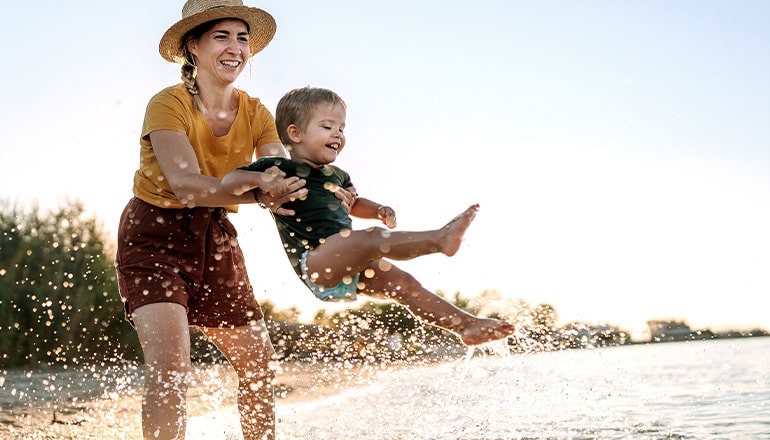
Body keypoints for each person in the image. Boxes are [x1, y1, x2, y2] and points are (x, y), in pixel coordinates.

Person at [114, 2, 353, 439]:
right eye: (221, 36)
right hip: (153, 234)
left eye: (242, 38)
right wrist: (259, 188)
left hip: (216, 236)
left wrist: (326, 194)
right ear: (194, 46)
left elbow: (281, 175)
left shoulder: (258, 113)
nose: (235, 48)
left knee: (259, 364)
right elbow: (186, 184)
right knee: (170, 365)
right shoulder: (167, 104)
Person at [223, 86, 515, 346]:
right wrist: (262, 182)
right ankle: (439, 240)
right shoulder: (276, 167)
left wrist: (377, 211)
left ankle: (466, 325)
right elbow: (231, 181)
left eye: (342, 128)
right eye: (327, 126)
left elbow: (355, 203)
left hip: (350, 260)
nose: (338, 134)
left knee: (405, 285)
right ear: (295, 133)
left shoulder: (337, 175)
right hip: (315, 261)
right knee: (372, 240)